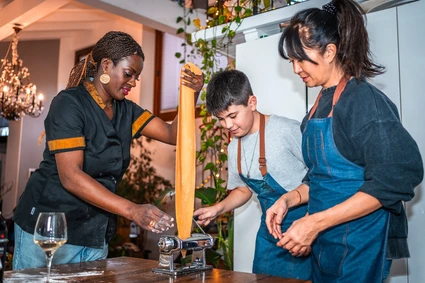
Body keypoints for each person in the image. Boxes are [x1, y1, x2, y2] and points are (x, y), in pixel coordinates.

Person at [12, 31, 204, 270]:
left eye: (137, 76)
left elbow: (173, 134)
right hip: (48, 231)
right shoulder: (69, 103)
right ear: (106, 65)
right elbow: (70, 176)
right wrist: (132, 210)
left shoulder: (127, 111)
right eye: (128, 74)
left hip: (94, 232)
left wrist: (191, 93)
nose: (133, 82)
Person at [265, 1, 424, 282]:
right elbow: (322, 179)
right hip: (326, 245)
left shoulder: (363, 101)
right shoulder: (315, 110)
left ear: (329, 51)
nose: (296, 69)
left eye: (301, 59)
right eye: (291, 61)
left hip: (360, 245)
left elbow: (396, 177)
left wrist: (315, 222)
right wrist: (288, 200)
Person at [194, 70, 311, 280]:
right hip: (269, 232)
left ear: (252, 102)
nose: (228, 125)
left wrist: (312, 224)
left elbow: (321, 177)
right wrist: (217, 208)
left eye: (232, 116)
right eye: (221, 119)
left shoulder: (286, 130)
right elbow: (243, 189)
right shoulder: (233, 148)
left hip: (303, 226)